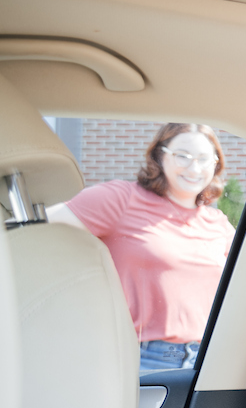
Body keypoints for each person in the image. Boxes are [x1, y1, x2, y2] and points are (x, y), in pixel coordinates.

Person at [48, 123, 234, 371]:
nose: (194, 167)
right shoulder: (121, 199)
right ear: (160, 155)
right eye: (183, 156)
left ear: (216, 164)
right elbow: (32, 225)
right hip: (142, 359)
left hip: (207, 361)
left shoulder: (218, 223)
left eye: (204, 158)